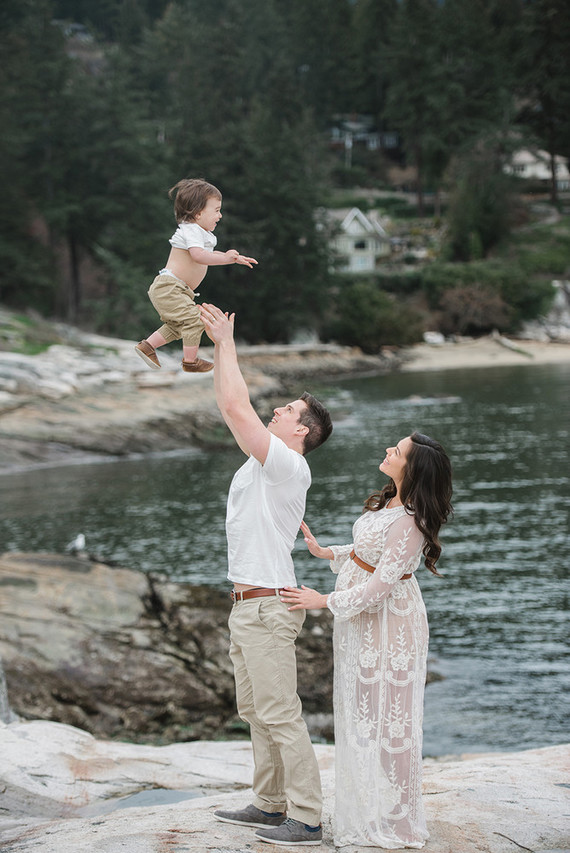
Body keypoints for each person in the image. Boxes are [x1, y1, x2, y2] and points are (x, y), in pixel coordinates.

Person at [199, 302, 333, 848]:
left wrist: (225, 344)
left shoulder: (287, 463)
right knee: (255, 709)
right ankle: (268, 803)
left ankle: (306, 818)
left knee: (280, 713)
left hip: (269, 605)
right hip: (248, 603)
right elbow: (231, 408)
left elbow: (234, 406)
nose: (276, 408)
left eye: (287, 408)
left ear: (301, 430)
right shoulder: (265, 462)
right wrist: (219, 351)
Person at [281, 432, 453, 849]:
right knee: (363, 713)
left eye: (398, 451)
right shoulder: (391, 502)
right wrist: (328, 553)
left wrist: (323, 600)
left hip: (390, 624)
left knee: (392, 720)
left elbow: (381, 586)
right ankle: (372, 805)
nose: (388, 450)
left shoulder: (412, 519)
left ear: (413, 468)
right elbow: (368, 550)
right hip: (362, 623)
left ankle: (396, 818)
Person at [135, 178, 257, 373]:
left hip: (176, 290)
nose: (220, 215)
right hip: (170, 288)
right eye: (216, 210)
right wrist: (225, 258)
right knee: (195, 320)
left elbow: (209, 255)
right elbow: (199, 256)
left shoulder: (200, 233)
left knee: (178, 327)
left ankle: (147, 346)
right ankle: (190, 361)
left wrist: (231, 258)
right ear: (198, 213)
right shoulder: (191, 229)